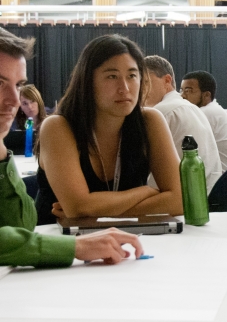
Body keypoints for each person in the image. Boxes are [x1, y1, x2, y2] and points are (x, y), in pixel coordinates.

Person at [0, 29, 146, 267]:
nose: (15, 101)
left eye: (18, 85)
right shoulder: (59, 126)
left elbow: (19, 228)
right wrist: (75, 247)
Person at [33, 35, 182, 227]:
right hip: (61, 246)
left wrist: (95, 211)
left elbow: (179, 200)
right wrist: (146, 192)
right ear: (87, 81)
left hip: (130, 241)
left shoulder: (150, 121)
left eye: (132, 75)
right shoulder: (58, 127)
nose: (125, 88)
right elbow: (77, 207)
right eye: (112, 76)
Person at [144, 56, 223, 191]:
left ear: (167, 81)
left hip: (179, 202)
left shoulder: (162, 111)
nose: (139, 89)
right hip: (209, 196)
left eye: (145, 82)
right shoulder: (191, 108)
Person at [180, 70, 227, 171]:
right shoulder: (212, 109)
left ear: (206, 95)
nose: (182, 96)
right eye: (181, 90)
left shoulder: (207, 113)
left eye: (188, 91)